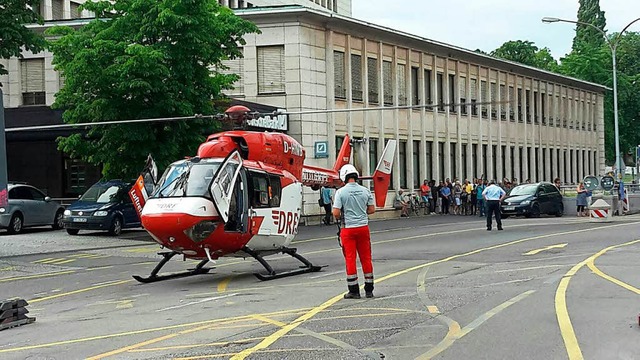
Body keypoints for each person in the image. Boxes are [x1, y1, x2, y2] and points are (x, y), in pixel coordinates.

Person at [333, 164, 376, 299]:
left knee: (350, 259)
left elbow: (336, 213)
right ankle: (369, 289)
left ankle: (354, 290)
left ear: (344, 177)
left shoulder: (340, 192)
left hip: (348, 229)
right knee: (366, 258)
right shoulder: (365, 191)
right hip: (363, 227)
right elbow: (371, 210)